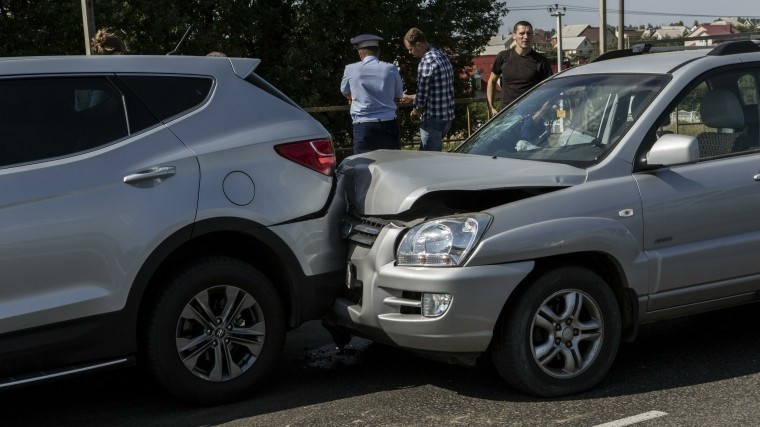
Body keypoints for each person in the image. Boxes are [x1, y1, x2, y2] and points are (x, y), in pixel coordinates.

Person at [340, 34, 405, 154]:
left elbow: (345, 91)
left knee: (363, 166)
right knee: (392, 165)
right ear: (378, 51)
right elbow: (398, 95)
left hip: (363, 126)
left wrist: (353, 97)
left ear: (360, 53)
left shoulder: (350, 69)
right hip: (388, 124)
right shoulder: (391, 68)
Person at [402, 28, 455, 151]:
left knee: (429, 161)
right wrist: (411, 97)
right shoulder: (442, 56)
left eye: (410, 49)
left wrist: (415, 110)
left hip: (432, 119)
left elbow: (422, 96)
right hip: (446, 117)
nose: (410, 52)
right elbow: (438, 90)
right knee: (432, 158)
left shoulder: (426, 61)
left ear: (419, 45)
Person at [487, 21, 552, 116]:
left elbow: (550, 89)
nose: (525, 37)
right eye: (522, 33)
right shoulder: (503, 57)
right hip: (506, 115)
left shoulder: (541, 61)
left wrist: (539, 114)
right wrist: (491, 107)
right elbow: (492, 81)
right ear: (514, 35)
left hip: (530, 116)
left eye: (529, 34)